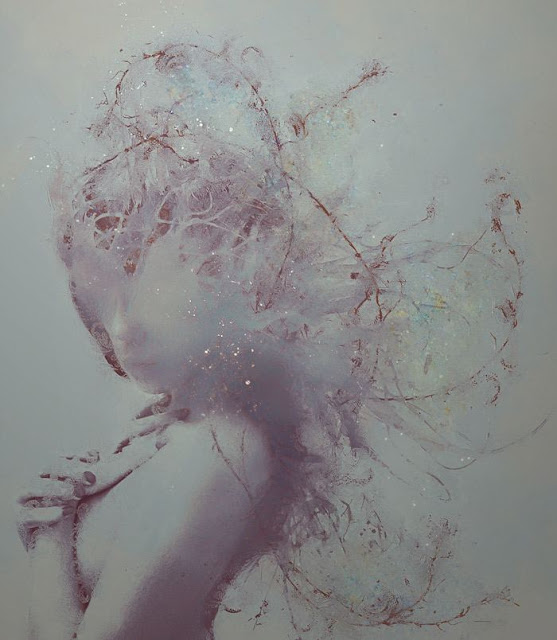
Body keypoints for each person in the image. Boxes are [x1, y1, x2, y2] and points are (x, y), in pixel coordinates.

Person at [15, 40, 523, 640]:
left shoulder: (221, 446)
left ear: (224, 260)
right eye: (100, 310)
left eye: (140, 282)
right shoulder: (173, 436)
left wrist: (47, 544)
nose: (123, 333)